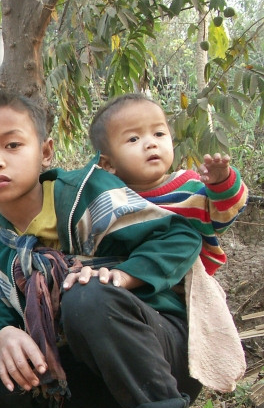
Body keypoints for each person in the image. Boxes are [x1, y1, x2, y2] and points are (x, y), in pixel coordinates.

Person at [0, 89, 238, 408]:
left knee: (84, 296)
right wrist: (4, 336)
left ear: (46, 151)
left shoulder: (84, 194)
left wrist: (124, 275)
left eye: (13, 145)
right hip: (85, 373)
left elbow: (180, 235)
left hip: (159, 352)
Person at [89, 93, 248, 275]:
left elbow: (224, 217)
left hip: (186, 287)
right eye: (134, 139)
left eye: (159, 133)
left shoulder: (190, 188)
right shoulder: (109, 201)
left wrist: (222, 183)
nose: (151, 143)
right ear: (108, 164)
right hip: (127, 282)